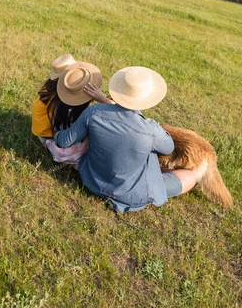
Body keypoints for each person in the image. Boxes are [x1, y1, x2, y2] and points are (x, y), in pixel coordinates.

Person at [54, 65, 201, 212]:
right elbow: (168, 147)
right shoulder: (151, 129)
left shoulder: (93, 112)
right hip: (132, 195)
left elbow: (63, 141)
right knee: (191, 176)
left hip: (92, 181)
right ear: (147, 98)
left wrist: (55, 131)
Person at [31, 55, 103, 167]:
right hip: (50, 138)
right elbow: (66, 136)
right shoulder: (63, 103)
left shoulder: (52, 89)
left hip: (46, 131)